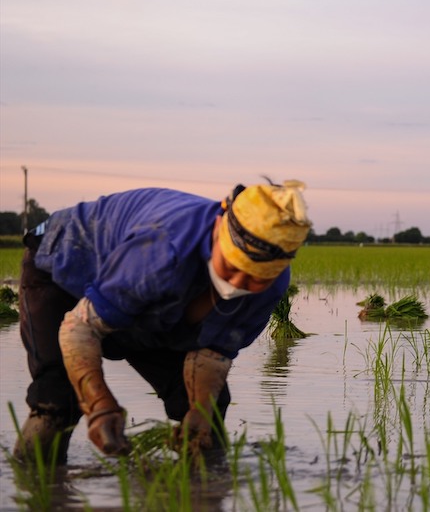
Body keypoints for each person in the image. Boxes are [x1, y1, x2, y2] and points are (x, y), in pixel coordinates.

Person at [13, 179, 311, 464]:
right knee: (56, 399)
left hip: (152, 298)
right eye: (233, 266)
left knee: (209, 412)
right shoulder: (164, 249)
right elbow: (80, 328)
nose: (238, 282)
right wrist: (99, 407)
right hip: (64, 268)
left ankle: (204, 493)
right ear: (219, 227)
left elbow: (212, 353)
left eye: (256, 277)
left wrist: (200, 411)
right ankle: (36, 489)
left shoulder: (272, 286)